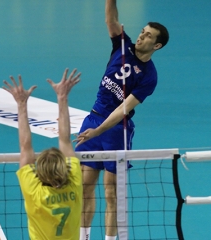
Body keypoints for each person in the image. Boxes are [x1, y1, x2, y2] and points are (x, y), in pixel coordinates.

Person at [75, 1, 169, 240]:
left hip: (117, 130)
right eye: (141, 32)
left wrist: (99, 131)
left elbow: (124, 109)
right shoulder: (123, 44)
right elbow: (111, 20)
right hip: (92, 119)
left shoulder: (149, 77)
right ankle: (83, 237)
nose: (141, 37)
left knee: (111, 194)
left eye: (148, 36)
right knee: (85, 189)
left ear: (156, 45)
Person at [3, 68, 82, 240]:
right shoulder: (75, 181)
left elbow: (25, 147)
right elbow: (66, 140)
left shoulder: (34, 192)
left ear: (40, 173)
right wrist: (63, 97)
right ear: (63, 167)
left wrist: (21, 104)